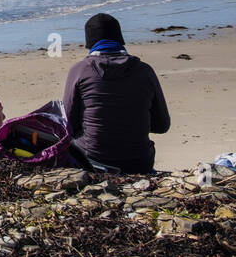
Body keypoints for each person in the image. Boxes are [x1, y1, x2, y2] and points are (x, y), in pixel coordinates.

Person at [64, 13, 170, 174]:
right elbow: (162, 125)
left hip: (93, 160)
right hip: (140, 162)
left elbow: (68, 125)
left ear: (89, 42)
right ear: (120, 39)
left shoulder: (80, 70)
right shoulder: (145, 71)